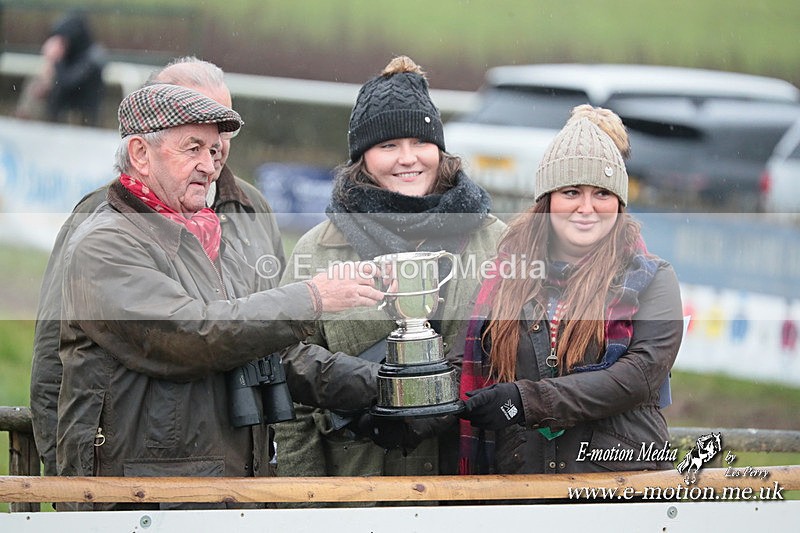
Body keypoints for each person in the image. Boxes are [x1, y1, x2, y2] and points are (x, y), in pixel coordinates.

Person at [53, 83, 384, 512]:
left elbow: (273, 353)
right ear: (139, 153)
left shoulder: (208, 237)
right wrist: (311, 297)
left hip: (217, 495)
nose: (209, 166)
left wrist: (387, 384)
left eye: (213, 151)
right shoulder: (104, 245)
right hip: (140, 503)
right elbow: (193, 334)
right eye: (192, 148)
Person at [31, 56, 273, 480]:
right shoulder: (99, 220)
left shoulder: (255, 210)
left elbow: (272, 347)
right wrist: (70, 481)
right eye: (193, 124)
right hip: (136, 482)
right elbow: (54, 360)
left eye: (220, 125)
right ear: (145, 145)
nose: (213, 136)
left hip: (232, 480)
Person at [275, 56, 506, 484]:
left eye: (420, 141)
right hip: (357, 486)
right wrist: (300, 498)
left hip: (466, 484)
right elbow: (292, 392)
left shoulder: (497, 241)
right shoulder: (317, 249)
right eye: (387, 146)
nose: (408, 159)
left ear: (440, 148)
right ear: (362, 157)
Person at [457, 106, 683, 476]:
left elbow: (637, 378)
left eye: (602, 194)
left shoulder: (654, 279)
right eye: (572, 192)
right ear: (547, 201)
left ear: (620, 203)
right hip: (520, 486)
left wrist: (526, 401)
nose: (587, 208)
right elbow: (461, 367)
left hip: (618, 486)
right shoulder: (502, 276)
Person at [16, 10, 106, 126]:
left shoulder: (92, 56)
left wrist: (56, 60)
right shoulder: (67, 56)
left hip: (81, 119)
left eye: (62, 41)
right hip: (58, 116)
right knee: (35, 82)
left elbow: (69, 83)